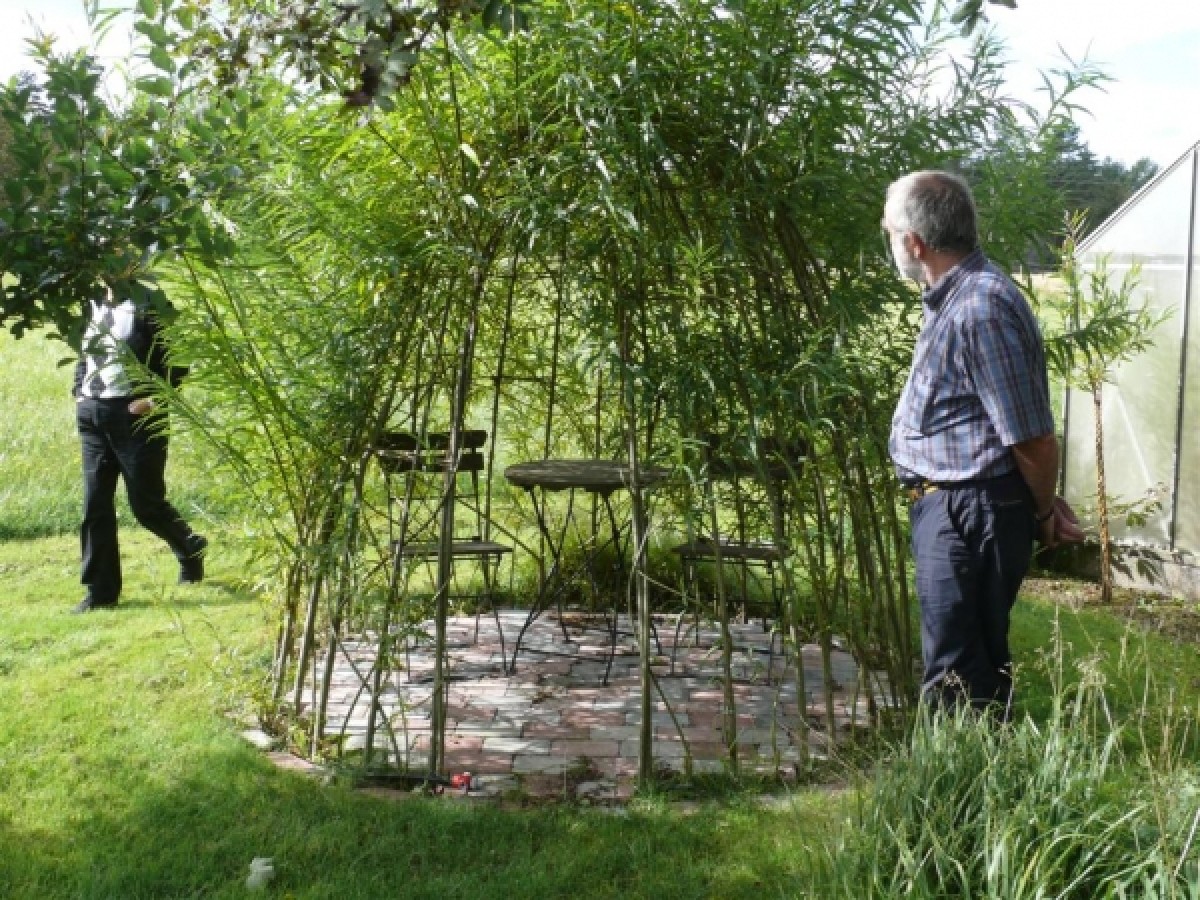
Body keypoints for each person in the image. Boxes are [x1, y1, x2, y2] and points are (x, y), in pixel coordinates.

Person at [883, 171, 1084, 715]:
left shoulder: (979, 307)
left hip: (969, 509)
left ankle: (963, 767)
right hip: (959, 504)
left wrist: (1042, 512)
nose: (891, 244)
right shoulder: (958, 297)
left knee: (958, 672)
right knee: (966, 661)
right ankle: (980, 759)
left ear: (914, 242)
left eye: (890, 233)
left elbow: (1033, 438)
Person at [71, 279, 207, 613]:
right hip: (93, 415)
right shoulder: (91, 302)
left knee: (146, 504)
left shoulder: (151, 305)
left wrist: (153, 401)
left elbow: (178, 362)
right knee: (95, 504)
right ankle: (100, 592)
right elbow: (85, 354)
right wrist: (79, 392)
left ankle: (189, 548)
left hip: (137, 417)